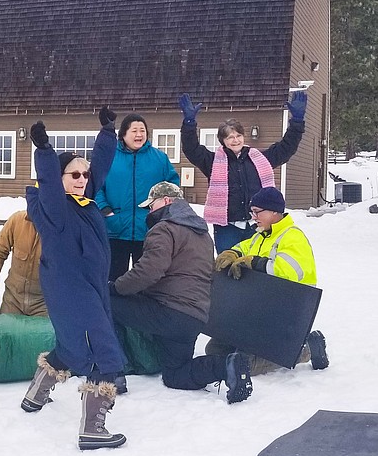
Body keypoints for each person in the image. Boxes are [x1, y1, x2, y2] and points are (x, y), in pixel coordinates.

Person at [21, 107, 129, 451]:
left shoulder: (83, 201)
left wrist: (108, 132)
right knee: (103, 353)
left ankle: (35, 397)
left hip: (87, 290)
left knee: (71, 346)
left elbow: (100, 166)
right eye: (74, 174)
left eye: (84, 174)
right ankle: (92, 430)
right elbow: (50, 182)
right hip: (73, 293)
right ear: (60, 178)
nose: (82, 178)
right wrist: (45, 150)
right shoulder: (55, 208)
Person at [109, 182, 253, 403]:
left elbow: (148, 271)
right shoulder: (203, 235)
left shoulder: (164, 228)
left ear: (166, 201)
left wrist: (116, 287)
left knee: (105, 302)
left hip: (166, 311)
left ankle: (113, 372)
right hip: (193, 317)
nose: (149, 211)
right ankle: (226, 365)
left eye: (152, 205)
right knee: (176, 374)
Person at [208, 186, 329, 375]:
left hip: (286, 314)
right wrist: (233, 252)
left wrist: (255, 263)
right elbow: (244, 246)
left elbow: (288, 273)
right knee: (215, 350)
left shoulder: (293, 236)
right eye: (252, 212)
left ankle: (306, 351)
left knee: (246, 364)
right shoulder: (260, 236)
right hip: (259, 310)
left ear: (274, 211)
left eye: (257, 212)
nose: (253, 216)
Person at [180, 89, 307, 251]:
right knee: (228, 268)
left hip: (256, 226)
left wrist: (297, 121)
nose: (235, 140)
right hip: (227, 229)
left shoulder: (259, 160)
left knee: (255, 269)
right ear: (223, 141)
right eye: (230, 137)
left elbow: (285, 148)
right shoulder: (212, 162)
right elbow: (191, 149)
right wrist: (189, 124)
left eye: (238, 135)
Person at [95, 113, 180, 280]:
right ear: (124, 134)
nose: (139, 134)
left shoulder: (159, 159)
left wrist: (161, 213)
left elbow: (173, 188)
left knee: (147, 279)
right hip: (116, 228)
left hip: (150, 231)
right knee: (112, 278)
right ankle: (114, 306)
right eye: (134, 130)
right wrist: (105, 210)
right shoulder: (110, 158)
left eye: (142, 130)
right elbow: (96, 186)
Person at [0, 210, 47, 317]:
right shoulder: (17, 220)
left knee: (42, 334)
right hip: (12, 299)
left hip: (43, 304)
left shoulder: (59, 229)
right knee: (6, 332)